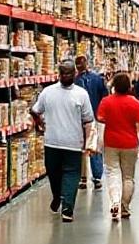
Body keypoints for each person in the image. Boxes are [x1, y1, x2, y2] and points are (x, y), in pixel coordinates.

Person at [30, 60, 95, 223]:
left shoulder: (82, 94)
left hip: (73, 143)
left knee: (72, 174)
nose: (66, 76)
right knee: (54, 173)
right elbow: (35, 110)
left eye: (69, 73)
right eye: (63, 73)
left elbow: (88, 121)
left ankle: (67, 207)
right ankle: (57, 196)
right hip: (52, 141)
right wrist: (40, 123)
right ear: (58, 74)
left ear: (75, 73)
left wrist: (89, 143)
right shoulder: (48, 92)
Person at [97, 72, 139, 221]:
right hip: (130, 144)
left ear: (113, 86)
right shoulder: (135, 103)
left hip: (111, 143)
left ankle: (114, 202)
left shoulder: (106, 102)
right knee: (128, 177)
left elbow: (100, 120)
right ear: (129, 86)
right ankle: (125, 207)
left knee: (112, 173)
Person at [74, 55, 109, 189]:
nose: (79, 67)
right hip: (89, 119)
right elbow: (105, 96)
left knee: (87, 148)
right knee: (90, 148)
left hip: (89, 119)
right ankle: (93, 177)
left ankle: (90, 177)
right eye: (78, 65)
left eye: (80, 64)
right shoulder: (95, 79)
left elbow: (104, 97)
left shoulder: (80, 80)